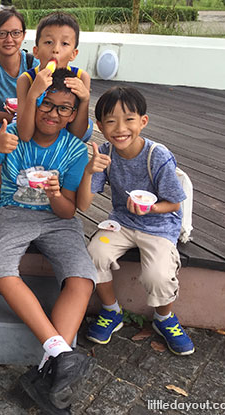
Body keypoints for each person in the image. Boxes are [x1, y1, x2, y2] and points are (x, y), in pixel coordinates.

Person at [0, 69, 97, 415]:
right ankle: (61, 354)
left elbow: (68, 212)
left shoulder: (75, 150)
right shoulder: (14, 138)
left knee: (82, 278)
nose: (53, 114)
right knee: (1, 269)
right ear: (32, 103)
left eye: (64, 108)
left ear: (74, 113)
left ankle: (47, 369)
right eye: (45, 104)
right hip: (14, 214)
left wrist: (54, 195)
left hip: (56, 220)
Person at [77, 86, 194, 355]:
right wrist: (88, 171)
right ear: (100, 126)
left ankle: (164, 318)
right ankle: (111, 311)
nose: (120, 128)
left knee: (158, 275)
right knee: (94, 253)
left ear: (143, 121)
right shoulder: (105, 154)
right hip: (122, 223)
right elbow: (83, 203)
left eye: (129, 119)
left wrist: (151, 208)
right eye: (111, 121)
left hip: (158, 225)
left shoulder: (158, 156)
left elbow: (175, 203)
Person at [16, 11, 93, 144]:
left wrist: (85, 100)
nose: (55, 49)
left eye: (64, 44)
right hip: (33, 137)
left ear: (73, 54)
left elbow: (77, 136)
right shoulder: (26, 80)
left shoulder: (81, 78)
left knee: (88, 129)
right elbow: (25, 135)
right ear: (36, 51)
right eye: (48, 42)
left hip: (65, 137)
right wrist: (33, 94)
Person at [0, 8, 38, 143]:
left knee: (87, 127)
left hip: (33, 122)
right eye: (2, 33)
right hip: (3, 123)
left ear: (23, 35)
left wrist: (23, 118)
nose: (9, 39)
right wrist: (15, 118)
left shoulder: (33, 63)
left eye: (16, 33)